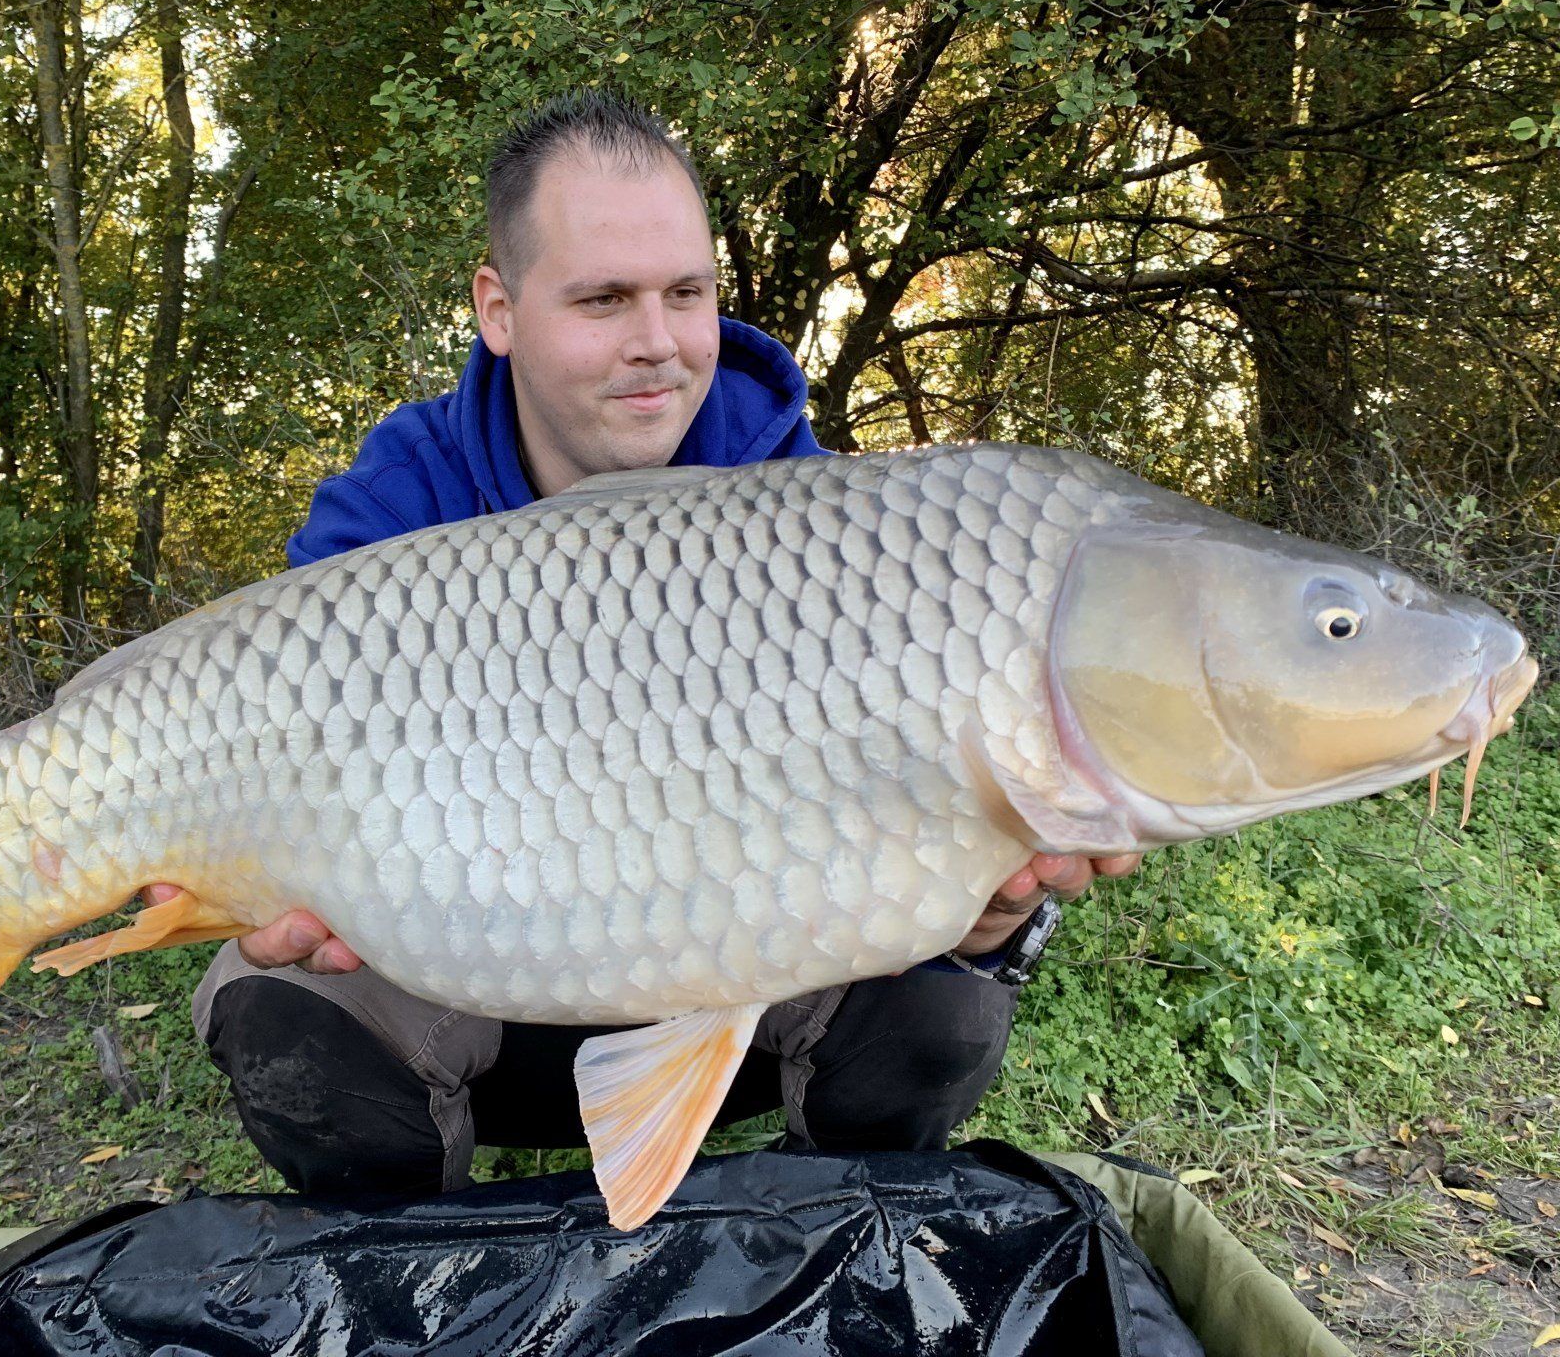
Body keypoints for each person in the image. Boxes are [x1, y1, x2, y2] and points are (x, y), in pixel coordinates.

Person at [170, 90, 1138, 1201]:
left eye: (688, 294)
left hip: (731, 986)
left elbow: (916, 844)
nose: (658, 345)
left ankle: (819, 1245)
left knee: (940, 1005)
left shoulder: (830, 522)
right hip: (473, 980)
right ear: (499, 307)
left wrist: (987, 913)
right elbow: (272, 762)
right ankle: (416, 1275)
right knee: (287, 1016)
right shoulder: (395, 507)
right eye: (603, 299)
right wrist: (262, 881)